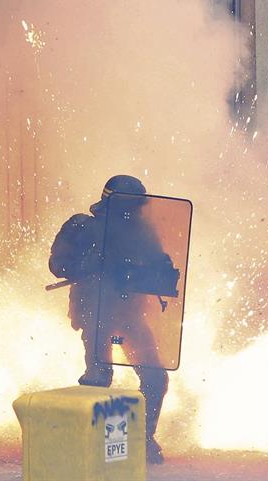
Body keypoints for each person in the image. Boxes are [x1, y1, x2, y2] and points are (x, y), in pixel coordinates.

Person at [49, 175, 174, 464]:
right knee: (98, 380)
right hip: (96, 316)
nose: (132, 214)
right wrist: (87, 265)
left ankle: (141, 440)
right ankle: (90, 446)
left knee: (155, 378)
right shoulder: (82, 228)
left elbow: (157, 267)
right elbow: (57, 264)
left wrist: (163, 272)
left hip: (130, 317)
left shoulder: (143, 234)